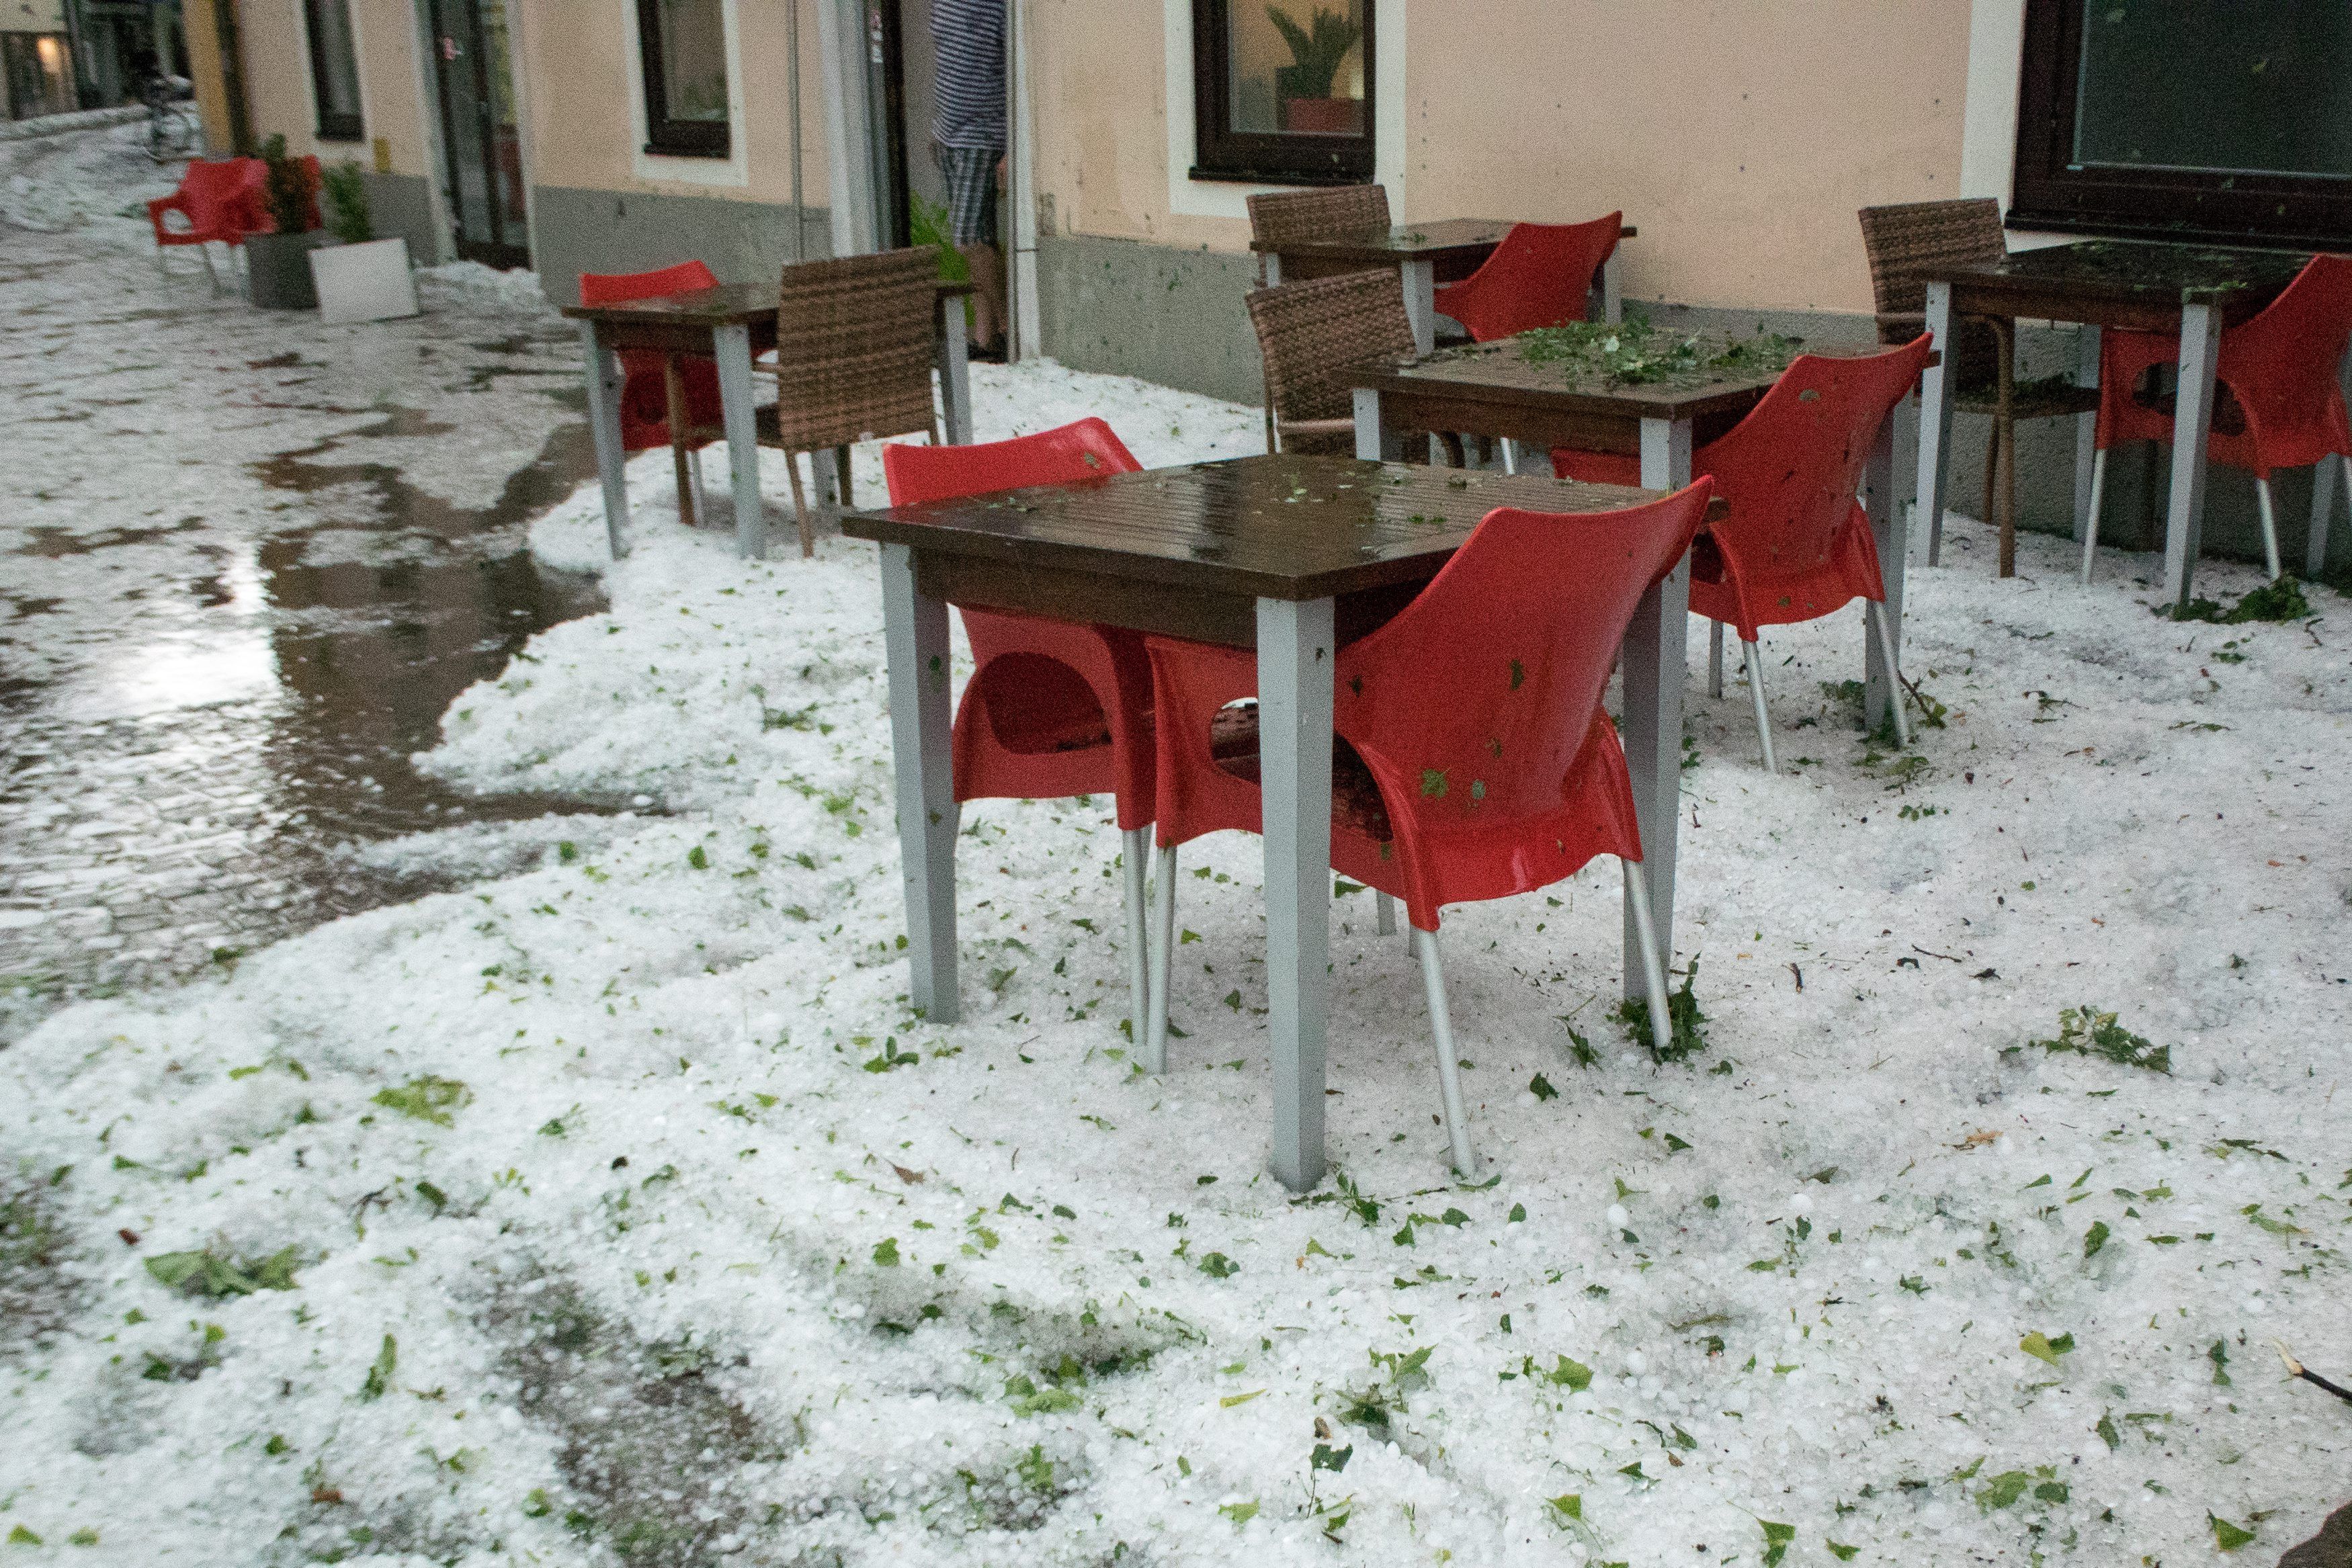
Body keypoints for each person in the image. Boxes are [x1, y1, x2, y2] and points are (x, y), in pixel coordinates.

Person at [931, 0, 1007, 360]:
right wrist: (938, 130)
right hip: (948, 135)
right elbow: (947, 63)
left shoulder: (998, 7)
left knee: (968, 238)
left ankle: (1007, 324)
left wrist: (1010, 147)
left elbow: (1012, 71)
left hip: (982, 135)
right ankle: (983, 336)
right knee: (982, 239)